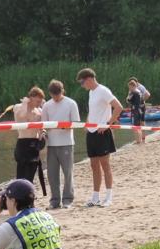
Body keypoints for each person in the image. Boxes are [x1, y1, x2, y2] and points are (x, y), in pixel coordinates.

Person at [77, 68, 123, 207]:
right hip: (91, 132)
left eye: (82, 82)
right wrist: (88, 123)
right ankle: (95, 197)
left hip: (102, 132)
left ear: (89, 79)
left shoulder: (103, 90)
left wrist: (108, 124)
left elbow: (118, 107)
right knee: (94, 165)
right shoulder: (91, 92)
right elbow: (94, 111)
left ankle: (108, 197)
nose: (82, 86)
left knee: (105, 164)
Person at [42, 80, 80, 209]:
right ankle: (54, 200)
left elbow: (75, 123)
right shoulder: (47, 105)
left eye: (57, 95)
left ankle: (68, 199)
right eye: (53, 95)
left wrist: (63, 127)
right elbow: (43, 125)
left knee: (67, 173)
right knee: (52, 174)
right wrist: (44, 133)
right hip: (51, 144)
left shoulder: (71, 103)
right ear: (50, 94)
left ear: (62, 91)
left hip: (66, 143)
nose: (56, 98)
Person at [12, 88, 45, 182]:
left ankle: (29, 194)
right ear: (31, 98)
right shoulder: (19, 106)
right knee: (21, 173)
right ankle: (20, 195)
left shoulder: (39, 111)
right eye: (37, 101)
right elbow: (21, 116)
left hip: (34, 142)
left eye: (40, 101)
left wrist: (43, 134)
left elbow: (42, 127)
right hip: (23, 142)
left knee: (32, 171)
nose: (39, 103)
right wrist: (25, 104)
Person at [127, 78, 146, 145]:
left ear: (132, 86)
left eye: (129, 87)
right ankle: (140, 140)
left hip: (136, 111)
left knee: (135, 126)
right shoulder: (138, 91)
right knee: (139, 126)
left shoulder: (134, 92)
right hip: (139, 110)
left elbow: (129, 100)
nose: (129, 88)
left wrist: (129, 97)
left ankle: (138, 141)